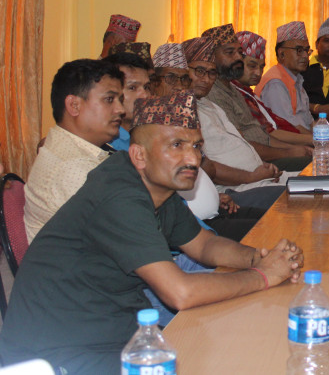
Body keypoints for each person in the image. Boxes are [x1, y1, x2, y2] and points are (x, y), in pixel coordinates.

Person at [0, 91, 304, 373]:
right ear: (139, 156)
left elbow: (203, 245)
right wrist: (263, 276)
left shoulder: (156, 185)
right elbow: (180, 293)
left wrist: (258, 258)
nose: (192, 159)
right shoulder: (119, 196)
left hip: (115, 330)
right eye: (176, 145)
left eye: (197, 146)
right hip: (57, 353)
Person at [24, 59, 125, 242]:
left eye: (120, 100)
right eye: (109, 99)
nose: (120, 109)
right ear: (74, 105)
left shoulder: (68, 147)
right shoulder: (75, 168)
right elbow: (126, 235)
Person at [182, 37, 286, 211]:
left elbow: (239, 142)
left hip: (259, 178)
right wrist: (252, 176)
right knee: (300, 196)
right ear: (184, 72)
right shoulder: (182, 113)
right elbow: (207, 166)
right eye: (199, 71)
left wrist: (262, 168)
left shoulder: (209, 105)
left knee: (314, 183)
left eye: (211, 73)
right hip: (234, 189)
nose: (206, 80)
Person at [201, 23, 311, 169]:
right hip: (252, 164)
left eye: (239, 52)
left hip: (263, 157)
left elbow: (263, 136)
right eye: (230, 52)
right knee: (315, 165)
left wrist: (295, 149)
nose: (237, 58)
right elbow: (241, 144)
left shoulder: (234, 90)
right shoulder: (212, 92)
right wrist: (289, 152)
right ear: (211, 57)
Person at [231, 30, 312, 144]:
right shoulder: (274, 83)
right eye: (252, 66)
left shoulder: (249, 94)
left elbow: (284, 124)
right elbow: (269, 134)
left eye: (261, 67)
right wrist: (314, 141)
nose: (258, 73)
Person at [257, 21, 314, 133]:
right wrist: (317, 140)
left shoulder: (297, 79)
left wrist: (325, 138)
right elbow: (288, 128)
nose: (305, 56)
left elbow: (309, 121)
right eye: (299, 50)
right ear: (281, 54)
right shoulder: (275, 83)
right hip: (289, 142)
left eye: (307, 50)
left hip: (305, 139)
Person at [103, 46, 153, 152]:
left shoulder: (151, 134)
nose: (145, 96)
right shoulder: (104, 142)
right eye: (132, 88)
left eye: (146, 87)